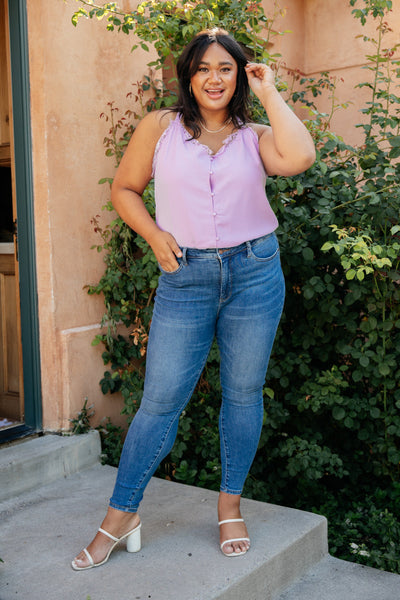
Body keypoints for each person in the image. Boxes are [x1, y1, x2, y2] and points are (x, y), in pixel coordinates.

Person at [71, 27, 315, 570]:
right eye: (203, 67)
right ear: (187, 75)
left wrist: (270, 91)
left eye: (225, 68)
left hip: (254, 272)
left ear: (239, 75)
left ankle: (230, 506)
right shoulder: (159, 128)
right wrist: (156, 235)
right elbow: (124, 189)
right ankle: (121, 514)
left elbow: (300, 157)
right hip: (185, 275)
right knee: (159, 401)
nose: (214, 77)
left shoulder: (255, 135)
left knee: (244, 394)